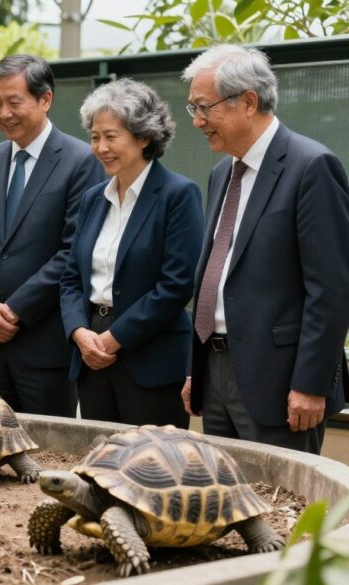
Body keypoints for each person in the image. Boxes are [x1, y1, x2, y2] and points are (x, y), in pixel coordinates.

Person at [180, 45, 349, 453]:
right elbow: (215, 274)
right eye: (193, 108)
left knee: (279, 494)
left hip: (281, 383)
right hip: (215, 372)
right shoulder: (222, 172)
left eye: (203, 107)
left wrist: (310, 384)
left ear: (248, 102)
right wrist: (195, 370)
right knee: (224, 489)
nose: (197, 121)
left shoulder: (312, 166)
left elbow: (331, 288)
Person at [0, 54, 104, 416]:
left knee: (47, 447)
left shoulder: (82, 160)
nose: (5, 113)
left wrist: (15, 310)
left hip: (45, 347)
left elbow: (74, 250)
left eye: (14, 102)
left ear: (45, 99)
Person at [59, 78, 203, 427]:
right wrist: (79, 332)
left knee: (153, 458)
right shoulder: (93, 198)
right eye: (95, 136)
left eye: (111, 136)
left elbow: (176, 285)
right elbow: (71, 279)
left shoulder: (178, 194)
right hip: (91, 353)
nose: (101, 147)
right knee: (101, 455)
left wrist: (114, 338)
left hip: (150, 358)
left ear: (144, 137)